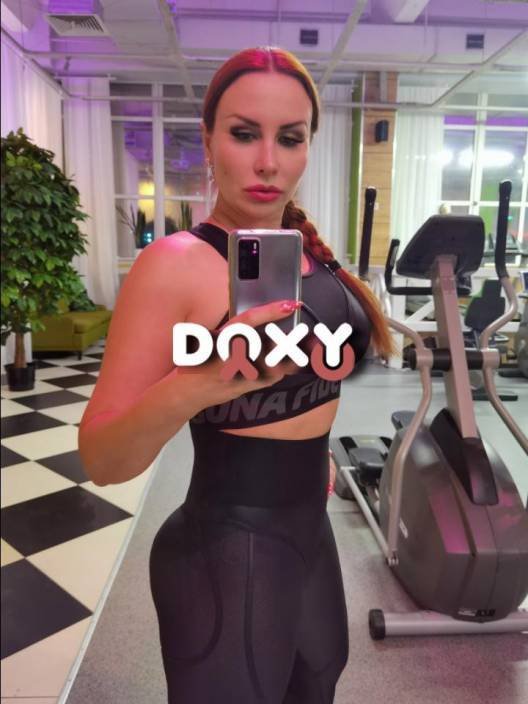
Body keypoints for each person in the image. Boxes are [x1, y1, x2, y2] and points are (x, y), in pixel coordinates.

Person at [79, 46, 394, 704]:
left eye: (290, 138)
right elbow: (103, 458)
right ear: (208, 139)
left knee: (316, 686)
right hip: (223, 552)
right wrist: (200, 382)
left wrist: (310, 453)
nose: (268, 162)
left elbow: (306, 392)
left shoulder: (307, 257)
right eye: (245, 133)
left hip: (311, 538)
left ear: (308, 147)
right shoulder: (172, 265)